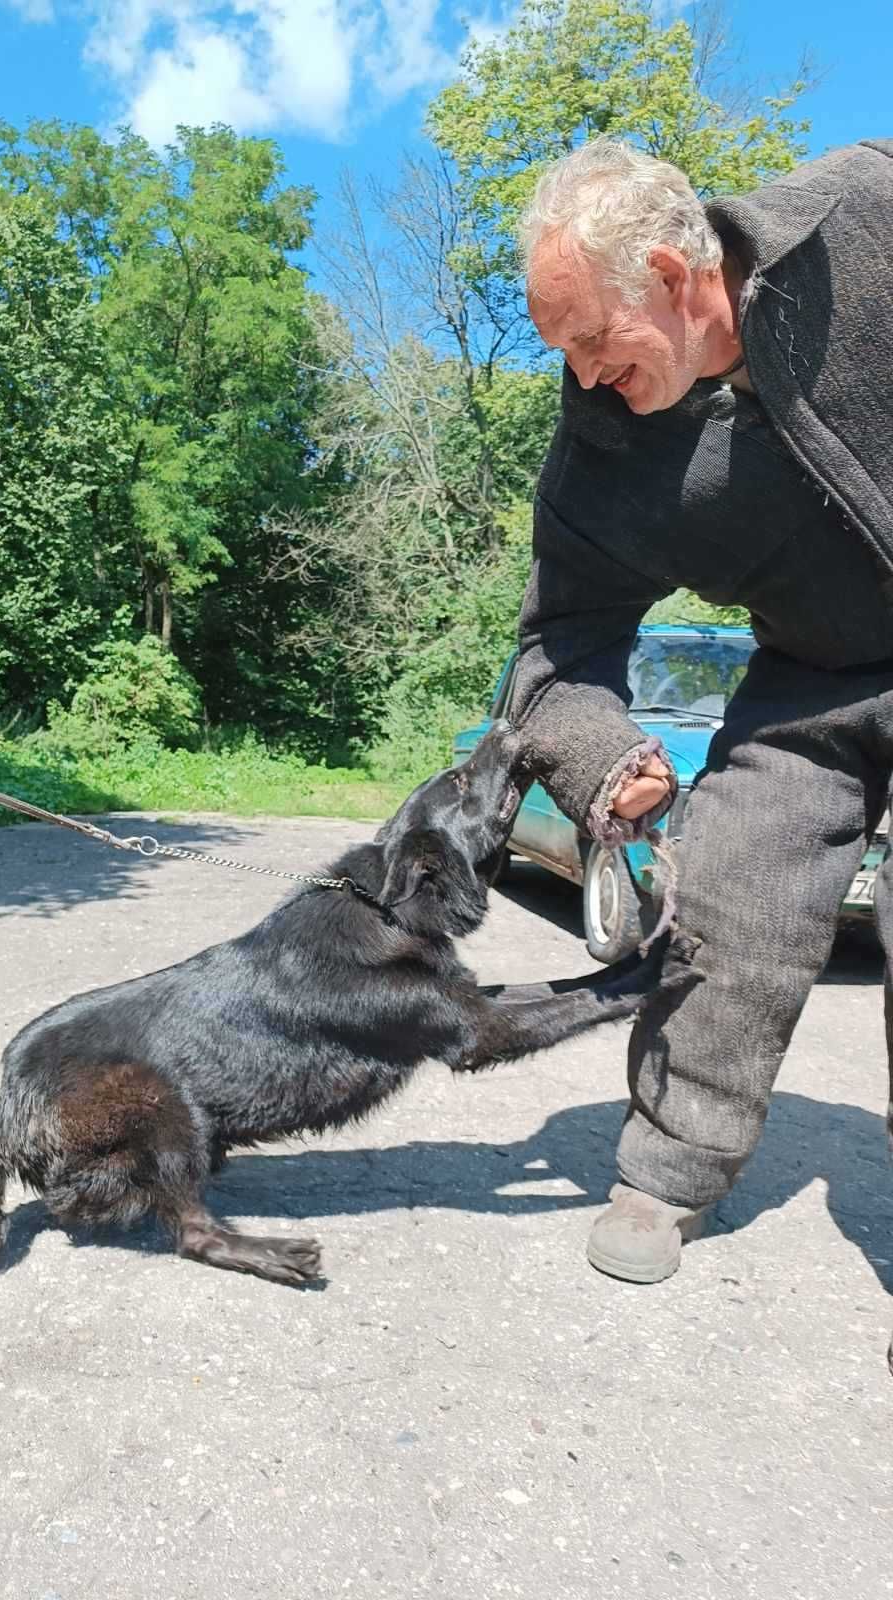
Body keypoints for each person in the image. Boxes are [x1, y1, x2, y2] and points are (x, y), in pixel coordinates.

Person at [509, 136, 893, 1284]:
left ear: (677, 280)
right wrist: (600, 756)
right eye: (559, 350)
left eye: (591, 340)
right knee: (725, 882)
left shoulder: (863, 220)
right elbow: (555, 645)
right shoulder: (603, 449)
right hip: (814, 680)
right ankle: (669, 1167)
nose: (581, 377)